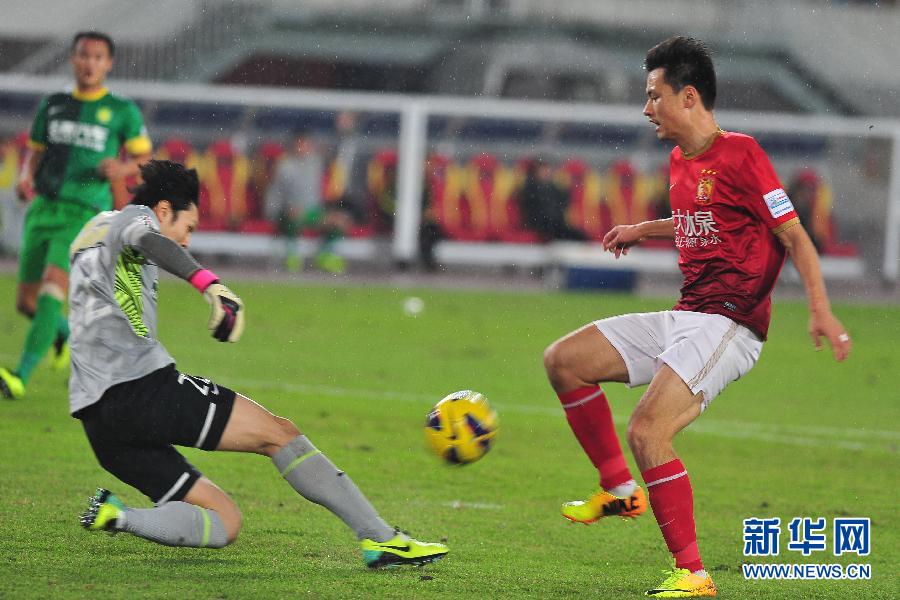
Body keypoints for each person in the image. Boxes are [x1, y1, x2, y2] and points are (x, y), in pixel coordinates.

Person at [543, 36, 851, 598]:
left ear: (688, 96)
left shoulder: (743, 154)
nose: (646, 108)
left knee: (648, 430)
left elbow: (795, 237)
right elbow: (698, 217)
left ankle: (694, 575)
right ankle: (618, 489)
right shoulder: (680, 160)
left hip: (730, 324)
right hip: (688, 315)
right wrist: (644, 229)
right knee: (564, 361)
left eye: (654, 95)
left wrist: (821, 310)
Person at [73, 160, 448, 568]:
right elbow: (151, 241)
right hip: (141, 389)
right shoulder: (138, 220)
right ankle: (381, 539)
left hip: (97, 419)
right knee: (280, 434)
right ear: (164, 211)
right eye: (189, 227)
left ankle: (118, 515)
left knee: (224, 521)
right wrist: (208, 284)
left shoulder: (92, 231)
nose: (186, 240)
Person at [0, 31, 151, 400]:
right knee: (27, 303)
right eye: (84, 56)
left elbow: (145, 158)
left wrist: (121, 168)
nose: (90, 64)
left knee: (54, 286)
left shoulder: (121, 111)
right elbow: (35, 152)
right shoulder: (52, 104)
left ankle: (18, 376)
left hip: (84, 212)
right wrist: (25, 178)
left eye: (98, 57)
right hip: (43, 209)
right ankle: (65, 336)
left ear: (108, 64)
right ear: (73, 59)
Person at [265, 132, 351, 274]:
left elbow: (338, 151)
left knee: (340, 220)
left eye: (307, 144)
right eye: (301, 144)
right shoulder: (285, 166)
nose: (304, 148)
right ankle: (292, 256)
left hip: (313, 212)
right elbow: (274, 193)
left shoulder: (315, 162)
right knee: (294, 216)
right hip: (289, 212)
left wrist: (343, 130)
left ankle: (325, 255)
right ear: (294, 145)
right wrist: (274, 212)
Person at [519, 157, 586, 242]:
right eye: (543, 169)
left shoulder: (551, 187)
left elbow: (562, 203)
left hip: (552, 224)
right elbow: (534, 212)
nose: (547, 172)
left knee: (579, 235)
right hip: (541, 226)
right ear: (536, 171)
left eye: (547, 169)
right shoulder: (531, 189)